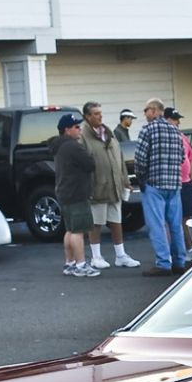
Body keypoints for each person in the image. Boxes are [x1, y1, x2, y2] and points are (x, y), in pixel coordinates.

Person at [132, 97, 189, 276]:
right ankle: (179, 261)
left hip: (154, 183)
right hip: (174, 185)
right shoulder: (175, 131)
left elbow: (140, 158)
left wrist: (141, 178)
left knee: (157, 224)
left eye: (146, 110)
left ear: (156, 110)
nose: (145, 114)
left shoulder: (147, 130)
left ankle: (163, 263)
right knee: (175, 225)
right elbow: (182, 158)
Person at [79, 100, 139, 269]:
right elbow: (81, 164)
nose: (100, 116)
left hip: (114, 185)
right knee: (96, 223)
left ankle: (121, 255)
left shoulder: (109, 134)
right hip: (97, 187)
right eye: (96, 113)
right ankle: (96, 257)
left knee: (116, 221)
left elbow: (119, 158)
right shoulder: (83, 137)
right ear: (87, 116)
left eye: (100, 113)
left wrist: (125, 181)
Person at [50, 113, 98, 277]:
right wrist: (91, 156)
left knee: (70, 230)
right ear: (67, 129)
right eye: (76, 127)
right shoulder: (72, 146)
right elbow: (90, 164)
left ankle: (69, 263)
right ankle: (81, 265)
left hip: (65, 192)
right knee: (78, 231)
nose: (80, 130)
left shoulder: (59, 146)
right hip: (76, 193)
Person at [164, 107, 192, 218]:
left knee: (187, 218)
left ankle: (187, 236)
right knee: (171, 218)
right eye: (175, 119)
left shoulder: (183, 137)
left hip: (186, 184)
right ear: (166, 120)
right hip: (171, 185)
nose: (178, 122)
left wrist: (191, 181)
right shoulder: (162, 138)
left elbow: (191, 159)